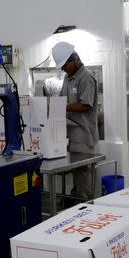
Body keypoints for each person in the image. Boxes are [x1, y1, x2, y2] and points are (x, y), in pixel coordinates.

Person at [51, 41, 99, 200]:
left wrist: (62, 107)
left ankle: (86, 207)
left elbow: (86, 105)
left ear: (73, 60)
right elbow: (62, 100)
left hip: (83, 136)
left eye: (65, 65)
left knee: (84, 175)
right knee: (76, 175)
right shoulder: (67, 77)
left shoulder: (86, 77)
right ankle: (76, 204)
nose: (63, 69)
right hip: (71, 135)